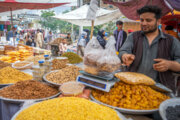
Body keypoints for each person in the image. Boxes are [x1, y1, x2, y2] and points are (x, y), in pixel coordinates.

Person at [119, 5, 180, 93]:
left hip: (160, 90)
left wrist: (170, 64)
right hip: (133, 88)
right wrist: (125, 56)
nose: (143, 23)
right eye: (142, 20)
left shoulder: (171, 41)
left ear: (158, 21)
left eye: (148, 20)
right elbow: (123, 51)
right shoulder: (133, 37)